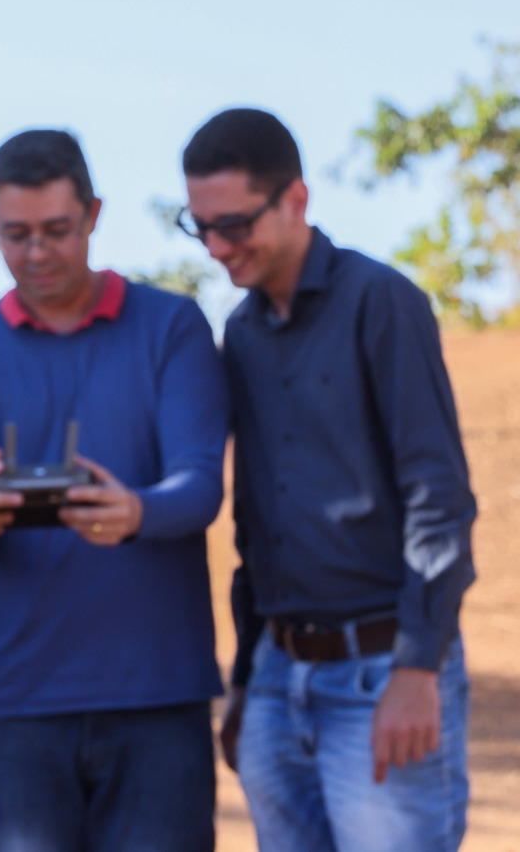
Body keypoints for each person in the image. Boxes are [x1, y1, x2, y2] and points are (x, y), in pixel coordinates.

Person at [179, 108, 476, 852]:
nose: (217, 247)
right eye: (201, 226)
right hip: (278, 678)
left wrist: (417, 669)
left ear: (297, 202)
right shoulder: (240, 333)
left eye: (236, 225)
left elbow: (438, 498)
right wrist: (250, 681)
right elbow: (254, 519)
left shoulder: (382, 302)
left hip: (384, 671)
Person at [0, 129, 229, 852]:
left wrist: (137, 512)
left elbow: (201, 485)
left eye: (57, 231)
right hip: (11, 708)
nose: (36, 253)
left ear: (94, 214)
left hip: (156, 696)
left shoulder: (172, 326)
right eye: (15, 234)